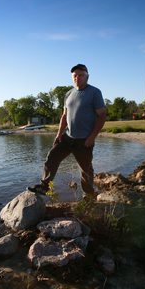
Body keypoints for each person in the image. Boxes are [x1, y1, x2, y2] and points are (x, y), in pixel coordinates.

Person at [28, 63, 107, 198]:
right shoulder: (68, 94)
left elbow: (102, 116)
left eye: (81, 75)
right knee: (51, 159)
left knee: (85, 169)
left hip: (84, 140)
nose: (78, 78)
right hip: (67, 137)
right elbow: (64, 116)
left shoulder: (94, 92)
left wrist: (92, 137)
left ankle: (89, 195)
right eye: (75, 75)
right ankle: (44, 186)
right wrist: (59, 133)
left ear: (87, 76)